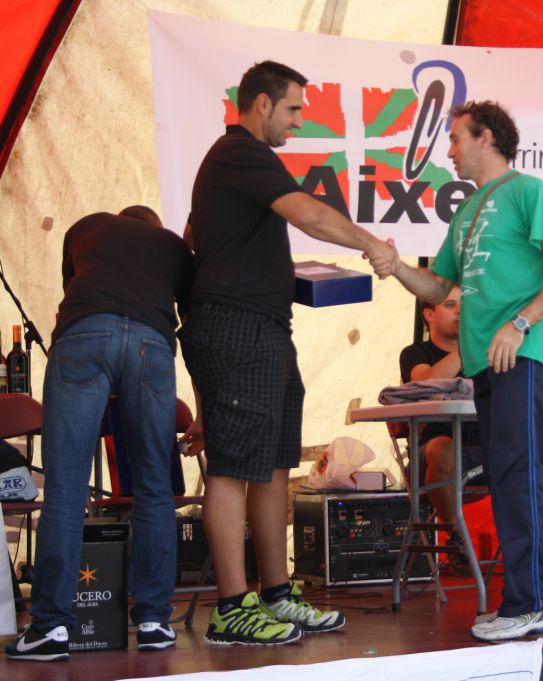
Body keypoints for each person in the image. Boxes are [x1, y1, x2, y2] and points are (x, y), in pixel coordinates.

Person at [179, 60, 393, 646]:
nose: (299, 122)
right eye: (294, 109)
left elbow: (198, 236)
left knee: (275, 463)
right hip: (235, 326)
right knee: (232, 467)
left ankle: (276, 594)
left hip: (267, 326)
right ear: (262, 104)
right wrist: (370, 243)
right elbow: (309, 212)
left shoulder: (236, 165)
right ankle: (231, 608)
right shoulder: (240, 151)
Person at [372, 100, 543, 641]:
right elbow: (439, 286)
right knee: (506, 475)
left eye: (455, 138)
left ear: (485, 137)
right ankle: (528, 600)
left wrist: (520, 323)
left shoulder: (530, 191)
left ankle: (533, 601)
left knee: (520, 473)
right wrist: (397, 268)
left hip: (523, 353)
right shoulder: (466, 212)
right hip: (484, 361)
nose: (449, 150)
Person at [6, 207, 193, 661]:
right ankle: (153, 622)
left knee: (66, 488)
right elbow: (193, 322)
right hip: (151, 342)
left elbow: (70, 293)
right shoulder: (172, 246)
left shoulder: (87, 227)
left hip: (85, 332)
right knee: (154, 487)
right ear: (152, 228)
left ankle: (50, 628)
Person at [398, 286, 485, 574]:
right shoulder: (415, 353)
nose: (460, 311)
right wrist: (466, 348)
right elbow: (427, 382)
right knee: (444, 448)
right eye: (450, 304)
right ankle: (456, 539)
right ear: (429, 314)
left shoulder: (487, 352)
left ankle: (537, 550)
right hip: (432, 456)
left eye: (465, 304)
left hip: (486, 450)